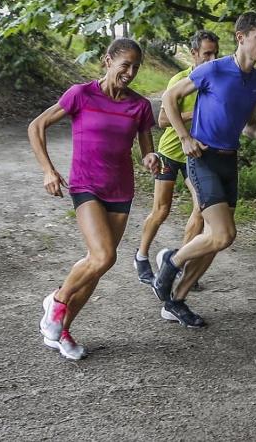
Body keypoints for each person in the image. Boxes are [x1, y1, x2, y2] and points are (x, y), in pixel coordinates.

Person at [153, 12, 256, 327]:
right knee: (224, 234)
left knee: (217, 239)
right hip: (203, 158)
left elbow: (248, 127)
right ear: (241, 38)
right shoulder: (213, 69)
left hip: (229, 161)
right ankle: (171, 262)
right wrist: (184, 138)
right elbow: (169, 98)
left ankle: (177, 300)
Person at [28, 37, 159, 359]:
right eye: (125, 64)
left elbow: (146, 148)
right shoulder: (81, 94)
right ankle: (57, 301)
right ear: (107, 61)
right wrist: (48, 171)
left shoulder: (139, 105)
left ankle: (61, 329)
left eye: (135, 67)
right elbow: (37, 125)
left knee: (95, 264)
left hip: (121, 190)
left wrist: (151, 158)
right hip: (87, 186)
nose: (130, 72)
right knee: (103, 257)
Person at [134, 30, 220, 286]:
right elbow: (161, 121)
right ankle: (141, 256)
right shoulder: (181, 80)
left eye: (216, 53)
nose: (212, 58)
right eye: (207, 53)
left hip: (198, 155)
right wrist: (195, 113)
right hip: (171, 152)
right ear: (194, 54)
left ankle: (179, 263)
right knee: (161, 210)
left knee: (201, 210)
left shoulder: (218, 81)